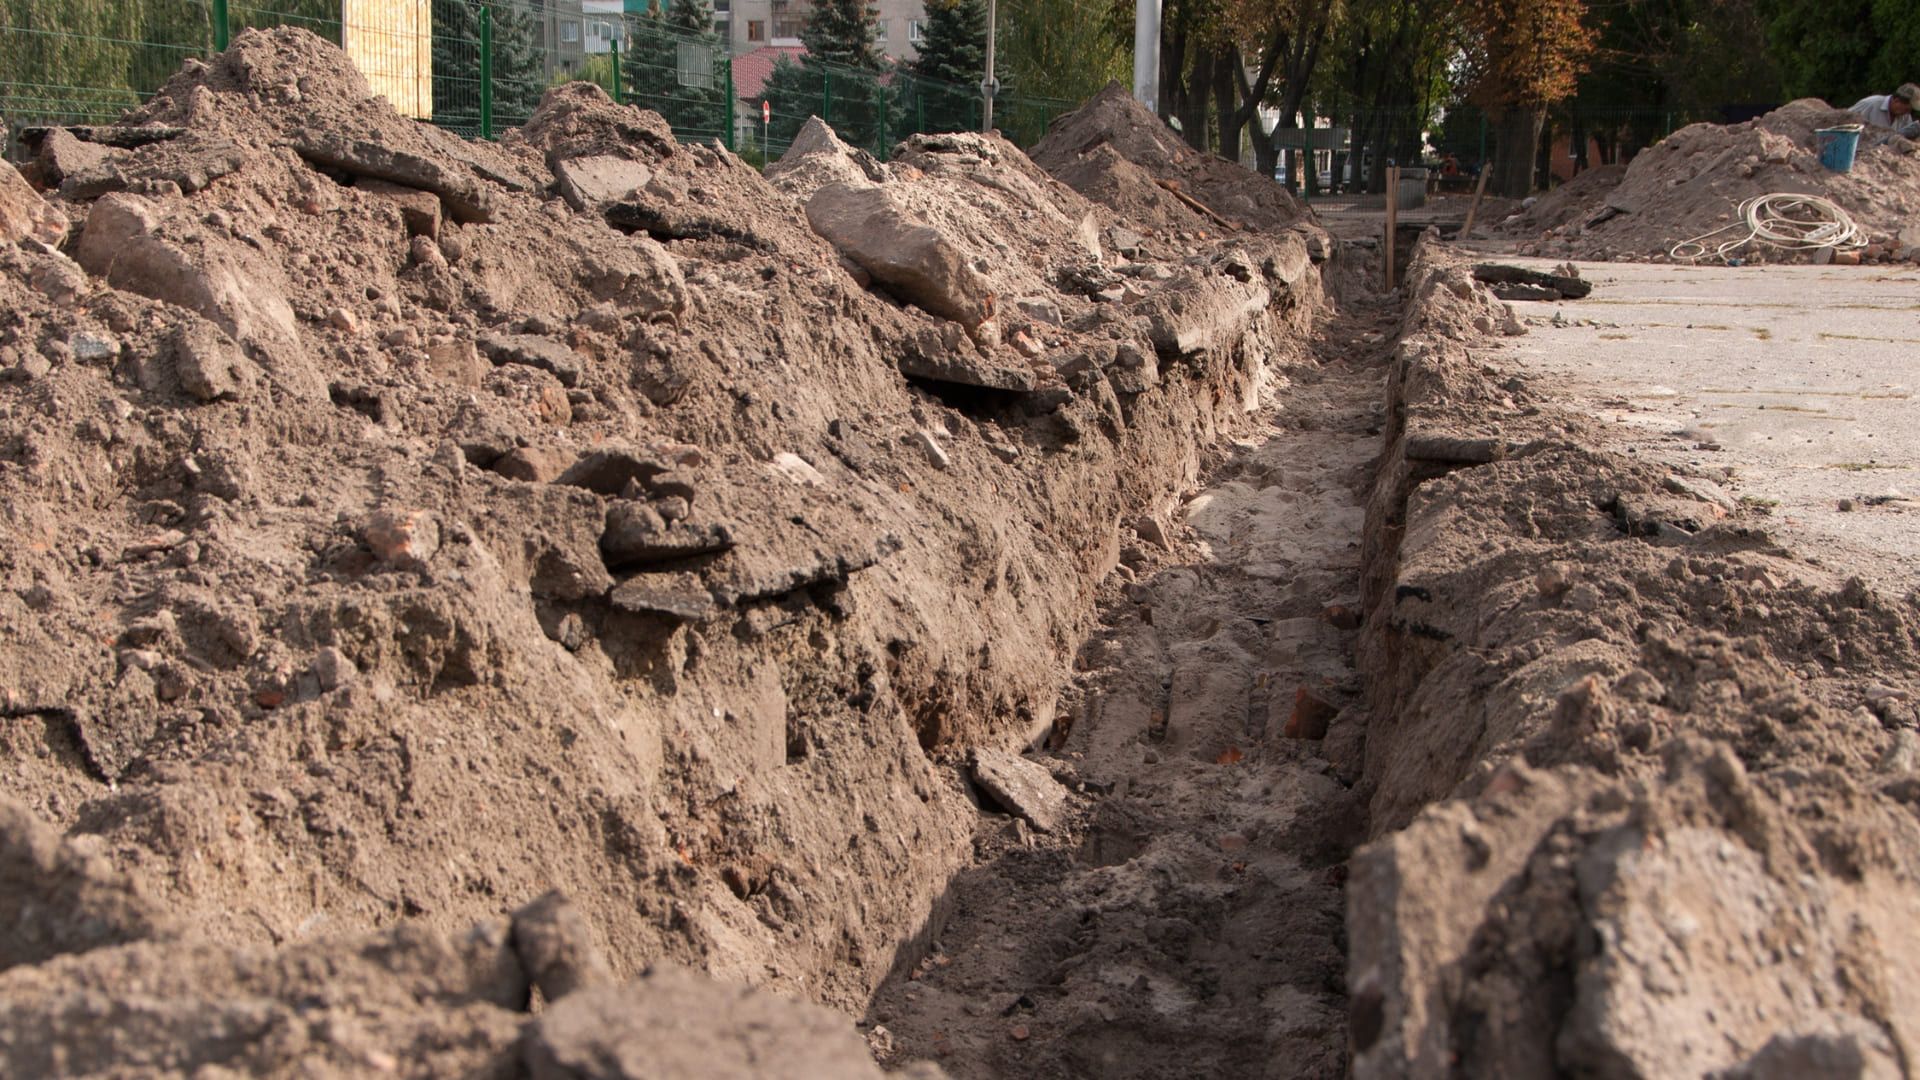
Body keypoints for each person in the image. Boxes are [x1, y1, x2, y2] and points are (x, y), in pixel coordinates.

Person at [1849, 83, 1920, 138]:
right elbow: (1844, 120)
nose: (1908, 112)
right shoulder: (1870, 104)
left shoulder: (1906, 116)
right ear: (1896, 101)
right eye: (1907, 109)